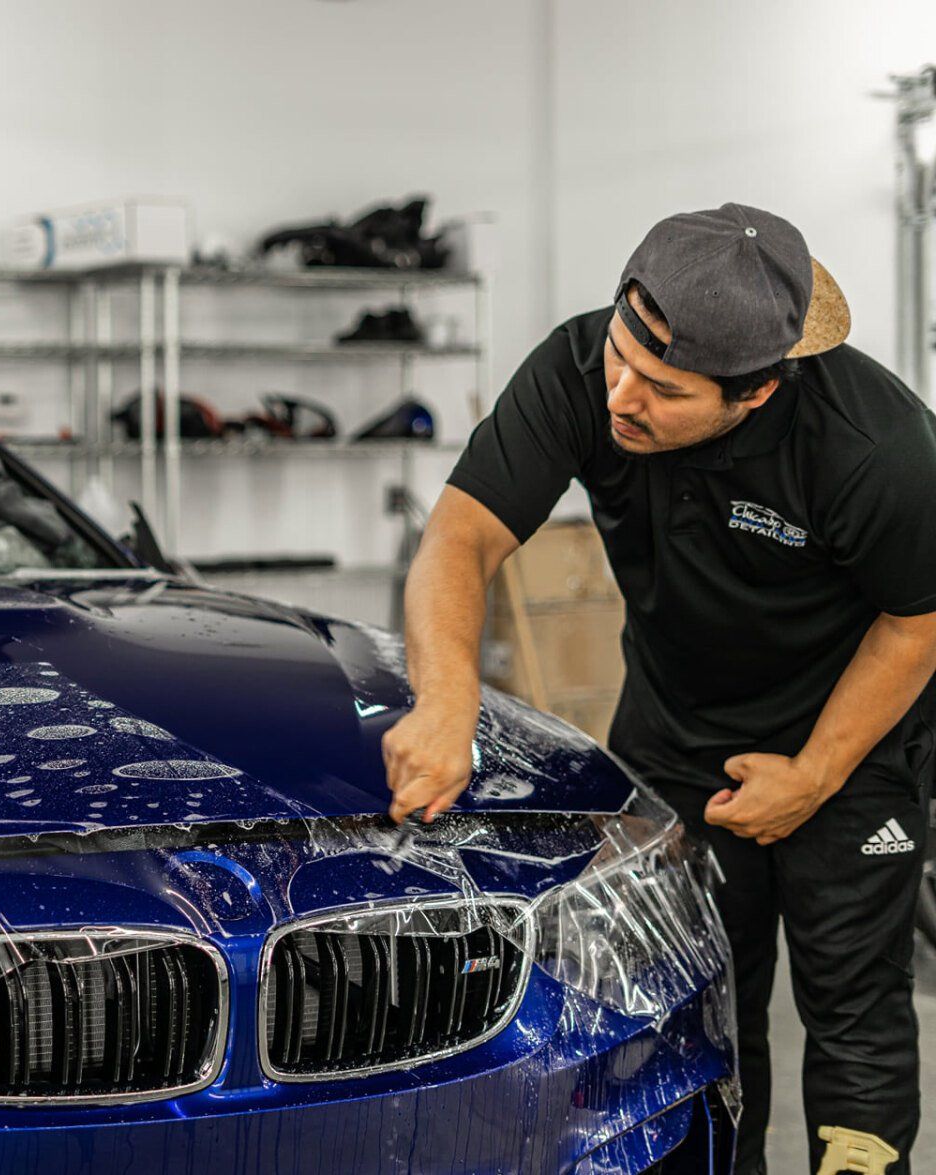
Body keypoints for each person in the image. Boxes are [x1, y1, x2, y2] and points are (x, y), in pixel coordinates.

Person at [385, 203, 936, 1173]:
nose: (619, 397)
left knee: (852, 1005)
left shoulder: (878, 448)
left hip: (850, 746)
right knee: (687, 1005)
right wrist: (445, 702)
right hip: (675, 731)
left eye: (663, 388)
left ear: (755, 392)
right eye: (620, 357)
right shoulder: (581, 369)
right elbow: (461, 536)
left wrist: (811, 774)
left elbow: (918, 620)